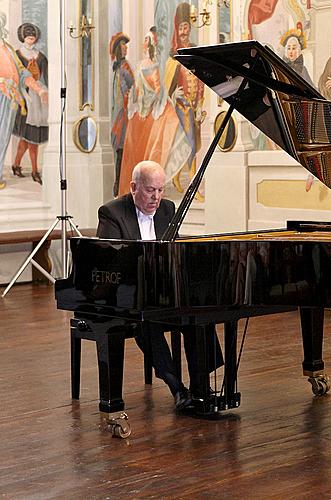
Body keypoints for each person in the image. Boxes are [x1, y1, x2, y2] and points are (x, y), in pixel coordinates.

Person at [96, 160, 223, 411]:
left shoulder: (167, 209)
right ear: (133, 187)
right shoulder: (111, 212)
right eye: (149, 190)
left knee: (198, 312)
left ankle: (201, 386)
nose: (156, 197)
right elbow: (107, 263)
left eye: (160, 190)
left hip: (163, 291)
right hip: (128, 295)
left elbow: (172, 253)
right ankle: (177, 387)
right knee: (147, 321)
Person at [117, 27, 191, 196]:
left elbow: (153, 92)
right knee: (165, 123)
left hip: (142, 113)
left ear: (150, 44)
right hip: (143, 113)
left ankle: (147, 186)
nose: (143, 43)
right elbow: (154, 92)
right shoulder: (150, 66)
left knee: (146, 148)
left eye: (145, 39)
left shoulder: (147, 66)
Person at [0, 12, 47, 190]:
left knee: (3, 137)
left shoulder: (9, 49)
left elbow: (22, 74)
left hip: (10, 100)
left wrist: (39, 89)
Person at [164, 2, 205, 197]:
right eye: (180, 28)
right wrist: (174, 95)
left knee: (193, 144)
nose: (184, 31)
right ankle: (192, 186)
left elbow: (201, 82)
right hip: (181, 106)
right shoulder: (173, 57)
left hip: (194, 106)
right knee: (190, 144)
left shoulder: (195, 52)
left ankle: (177, 175)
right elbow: (167, 89)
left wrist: (201, 105)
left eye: (186, 27)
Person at [11, 22, 48, 185]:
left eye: (32, 36)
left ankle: (16, 165)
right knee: (29, 138)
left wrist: (45, 92)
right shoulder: (17, 55)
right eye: (27, 36)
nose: (30, 39)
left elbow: (45, 78)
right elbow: (16, 78)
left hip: (39, 99)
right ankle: (34, 171)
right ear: (23, 37)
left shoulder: (40, 56)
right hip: (24, 101)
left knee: (28, 138)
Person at [109, 32, 134, 196]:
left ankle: (119, 184)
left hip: (124, 114)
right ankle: (118, 183)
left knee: (121, 150)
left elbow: (133, 86)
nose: (125, 49)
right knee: (118, 149)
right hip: (117, 113)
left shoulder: (125, 67)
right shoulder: (116, 67)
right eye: (122, 46)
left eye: (126, 46)